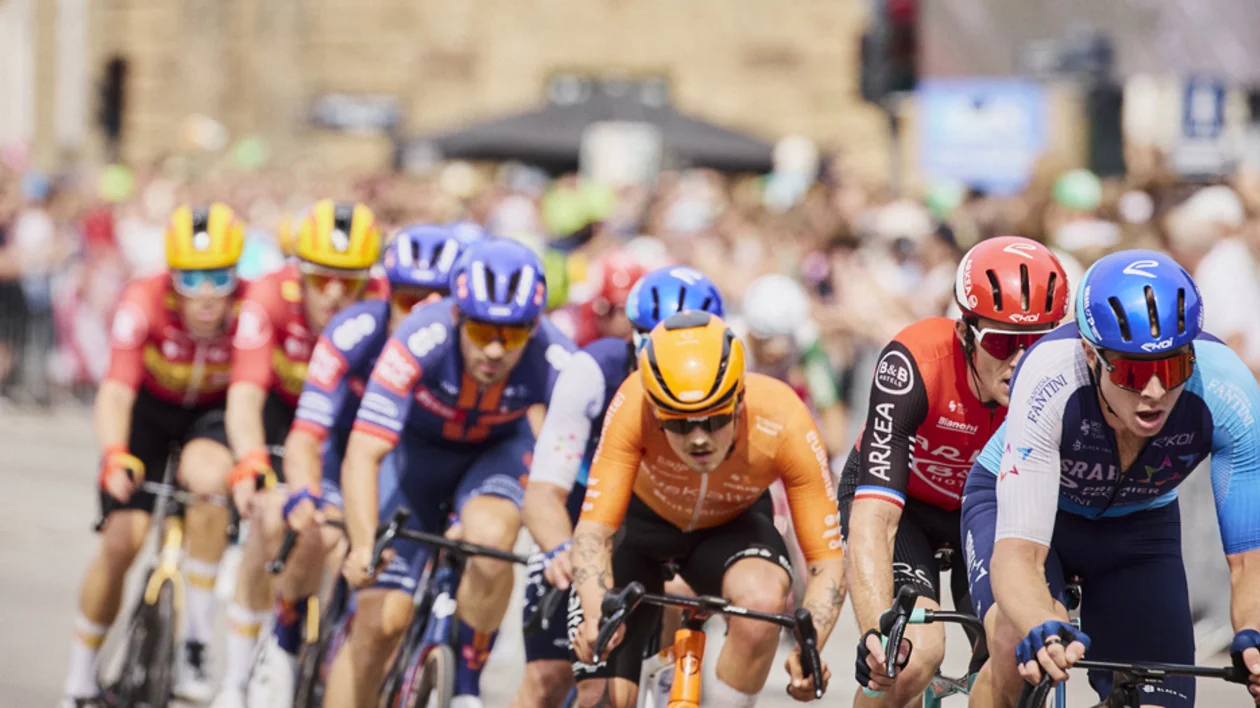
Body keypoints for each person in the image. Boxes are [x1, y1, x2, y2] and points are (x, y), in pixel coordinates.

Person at [960, 249, 1260, 708]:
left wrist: (1254, 637)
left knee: (1158, 701)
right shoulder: (1049, 378)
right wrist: (1041, 622)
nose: (1155, 392)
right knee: (1017, 650)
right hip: (1034, 518)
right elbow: (1020, 555)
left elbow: (1248, 563)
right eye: (1134, 372)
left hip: (1139, 528)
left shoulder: (1229, 392)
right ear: (1089, 354)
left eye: (1173, 368)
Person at [327, 237, 576, 708]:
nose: (497, 350)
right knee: (381, 625)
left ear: (536, 326)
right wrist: (362, 543)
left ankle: (465, 683)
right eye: (483, 332)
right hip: (413, 460)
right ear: (458, 316)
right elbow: (363, 452)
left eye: (514, 334)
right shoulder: (421, 336)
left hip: (495, 455)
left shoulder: (556, 356)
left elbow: (589, 461)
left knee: (491, 539)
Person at [246, 224, 479, 701]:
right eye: (410, 299)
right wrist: (305, 491)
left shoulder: (467, 353)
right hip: (344, 456)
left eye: (435, 300)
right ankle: (286, 643)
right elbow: (307, 435)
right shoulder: (354, 330)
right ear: (386, 292)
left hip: (417, 469)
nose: (422, 313)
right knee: (321, 531)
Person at [569, 311, 843, 708]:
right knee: (602, 696)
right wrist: (596, 614)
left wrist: (809, 647)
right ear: (655, 410)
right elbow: (593, 531)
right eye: (679, 424)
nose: (698, 439)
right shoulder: (633, 402)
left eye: (714, 419)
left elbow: (826, 562)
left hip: (732, 527)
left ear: (739, 400)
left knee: (763, 605)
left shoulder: (783, 416)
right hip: (643, 528)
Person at [843, 236, 1069, 706]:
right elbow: (875, 519)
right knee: (910, 657)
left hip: (990, 515)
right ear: (965, 333)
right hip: (907, 509)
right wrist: (875, 633)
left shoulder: (1063, 379)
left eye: (1039, 341)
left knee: (1016, 660)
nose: (1022, 360)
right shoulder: (916, 362)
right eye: (1005, 341)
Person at [514, 265, 725, 707]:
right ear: (634, 338)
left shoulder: (726, 382)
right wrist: (557, 551)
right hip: (580, 520)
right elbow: (542, 494)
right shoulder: (592, 371)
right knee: (551, 678)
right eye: (654, 342)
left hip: (654, 530)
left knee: (679, 607)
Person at [62, 204, 246, 707]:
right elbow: (116, 391)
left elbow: (255, 396)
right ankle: (78, 679)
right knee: (123, 540)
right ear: (171, 274)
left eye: (219, 275)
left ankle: (196, 644)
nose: (206, 292)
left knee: (208, 483)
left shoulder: (249, 310)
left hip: (211, 416)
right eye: (191, 277)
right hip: (147, 411)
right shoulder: (142, 299)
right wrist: (115, 453)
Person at [212, 199, 384, 708]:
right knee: (270, 519)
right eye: (321, 279)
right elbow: (245, 394)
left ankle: (321, 637)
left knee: (337, 533)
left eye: (348, 281)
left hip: (344, 425)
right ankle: (238, 678)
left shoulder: (383, 302)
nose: (334, 294)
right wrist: (249, 460)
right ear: (299, 272)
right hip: (280, 417)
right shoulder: (268, 295)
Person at [736, 273, 848, 454]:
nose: (777, 350)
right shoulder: (731, 345)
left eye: (784, 340)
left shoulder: (807, 340)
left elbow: (829, 407)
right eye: (766, 340)